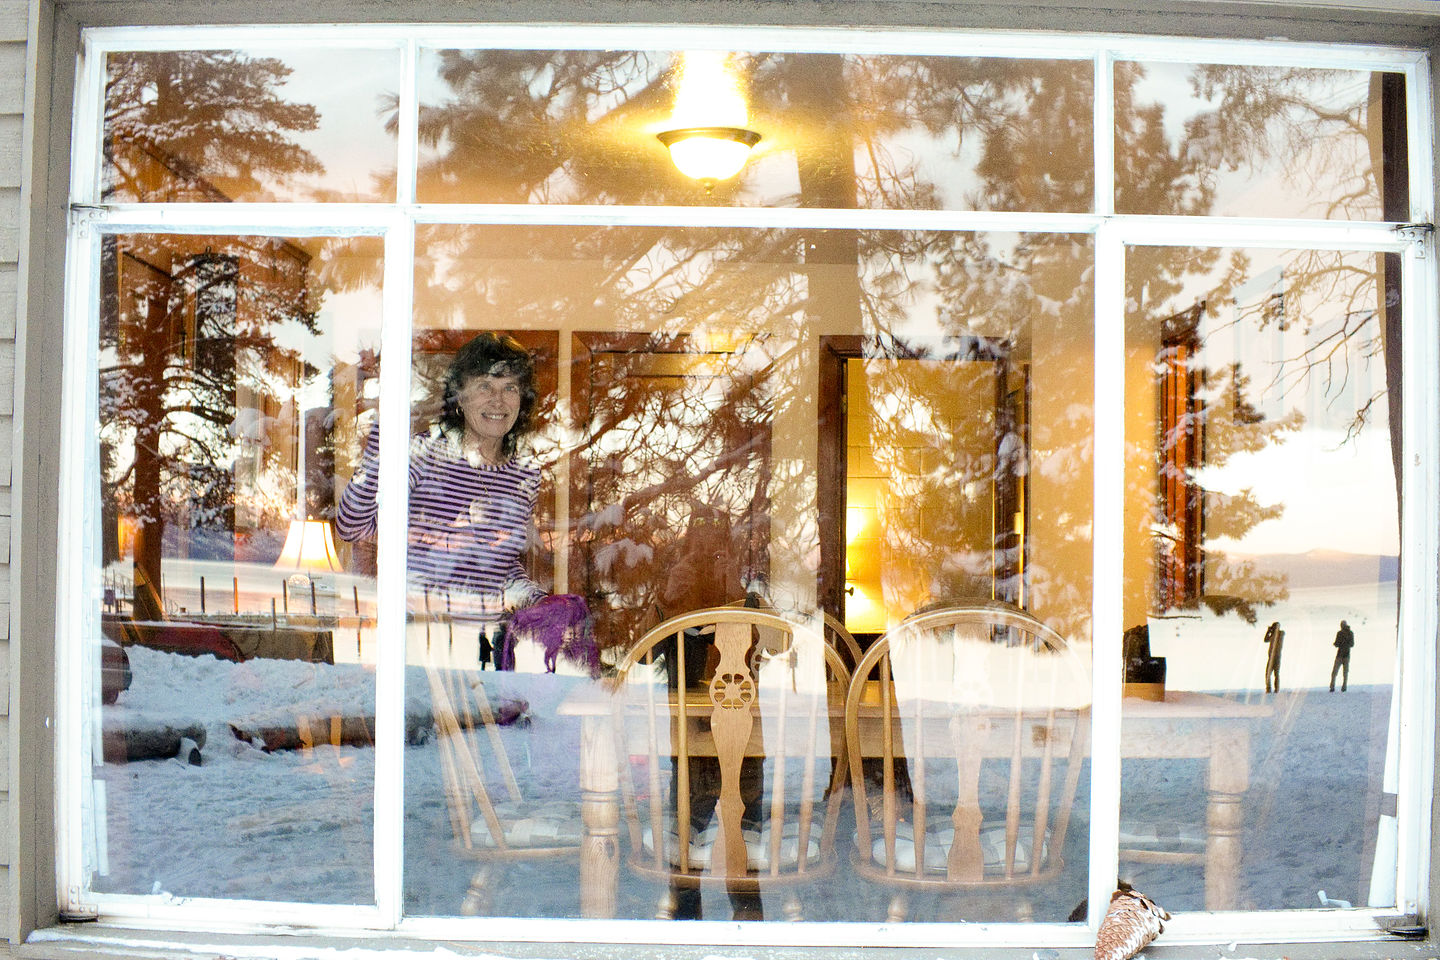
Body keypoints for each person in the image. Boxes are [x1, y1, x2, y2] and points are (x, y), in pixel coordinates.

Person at [336, 332, 547, 665]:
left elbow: (499, 566)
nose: (499, 401)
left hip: (485, 654)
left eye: (510, 388)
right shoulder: (423, 455)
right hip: (420, 649)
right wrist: (381, 438)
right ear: (460, 396)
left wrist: (536, 600)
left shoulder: (524, 474)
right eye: (485, 386)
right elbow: (352, 526)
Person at [1331, 619, 1355, 692]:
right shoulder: (1350, 633)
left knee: (1335, 672)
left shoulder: (1340, 633)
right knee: (1345, 673)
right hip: (1346, 655)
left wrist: (1337, 644)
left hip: (1340, 655)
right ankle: (1344, 687)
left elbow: (1337, 643)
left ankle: (1332, 687)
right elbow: (1352, 644)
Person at [1262, 620, 1284, 693]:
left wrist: (1271, 631)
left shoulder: (1280, 634)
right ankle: (1269, 689)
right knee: (1269, 673)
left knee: (1275, 674)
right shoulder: (1274, 635)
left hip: (1276, 657)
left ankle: (1275, 689)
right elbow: (1265, 640)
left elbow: (1276, 637)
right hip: (1272, 657)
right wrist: (1268, 632)